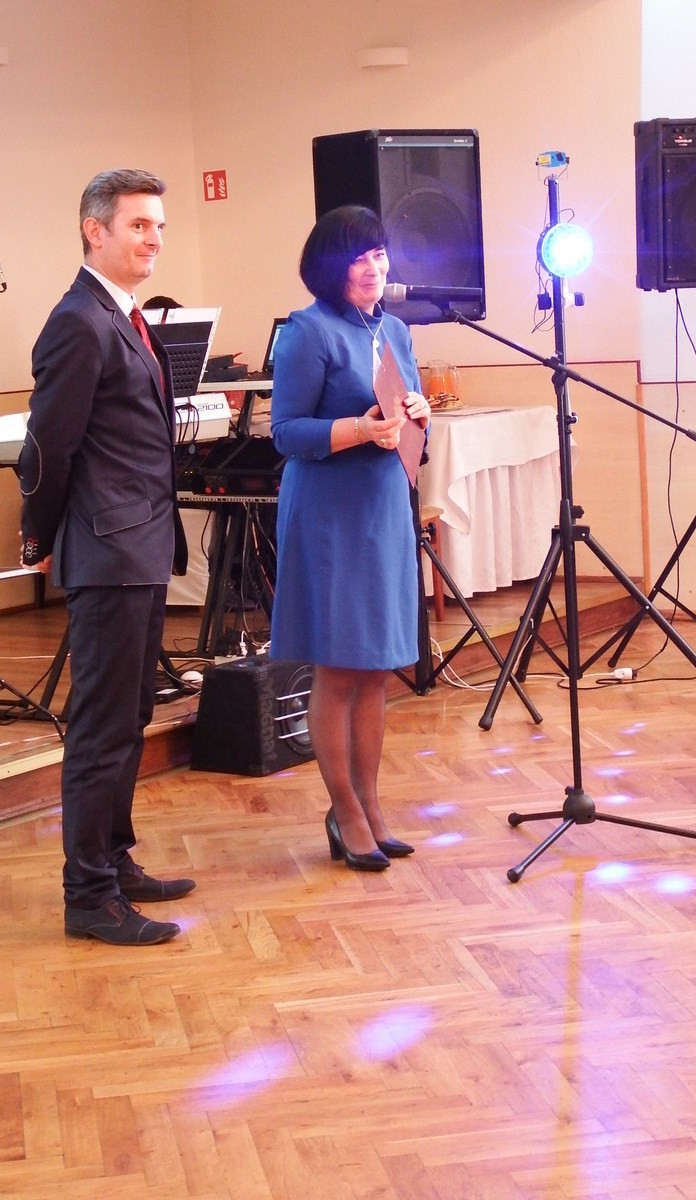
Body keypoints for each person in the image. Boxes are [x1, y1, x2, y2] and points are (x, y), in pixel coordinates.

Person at [18, 168, 195, 945]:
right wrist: (37, 537)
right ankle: (88, 897)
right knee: (99, 728)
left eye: (159, 226)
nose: (154, 239)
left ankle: (114, 860)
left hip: (139, 546)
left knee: (130, 717)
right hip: (107, 549)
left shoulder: (120, 314)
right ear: (96, 231)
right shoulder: (78, 322)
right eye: (139, 225)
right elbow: (47, 449)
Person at [269, 205, 431, 871]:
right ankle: (345, 810)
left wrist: (418, 411)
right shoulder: (307, 331)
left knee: (375, 669)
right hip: (330, 512)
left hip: (383, 506)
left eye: (379, 255)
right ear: (329, 268)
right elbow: (286, 432)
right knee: (338, 667)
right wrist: (361, 429)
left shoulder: (395, 328)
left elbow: (407, 411)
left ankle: (369, 805)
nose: (372, 268)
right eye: (358, 258)